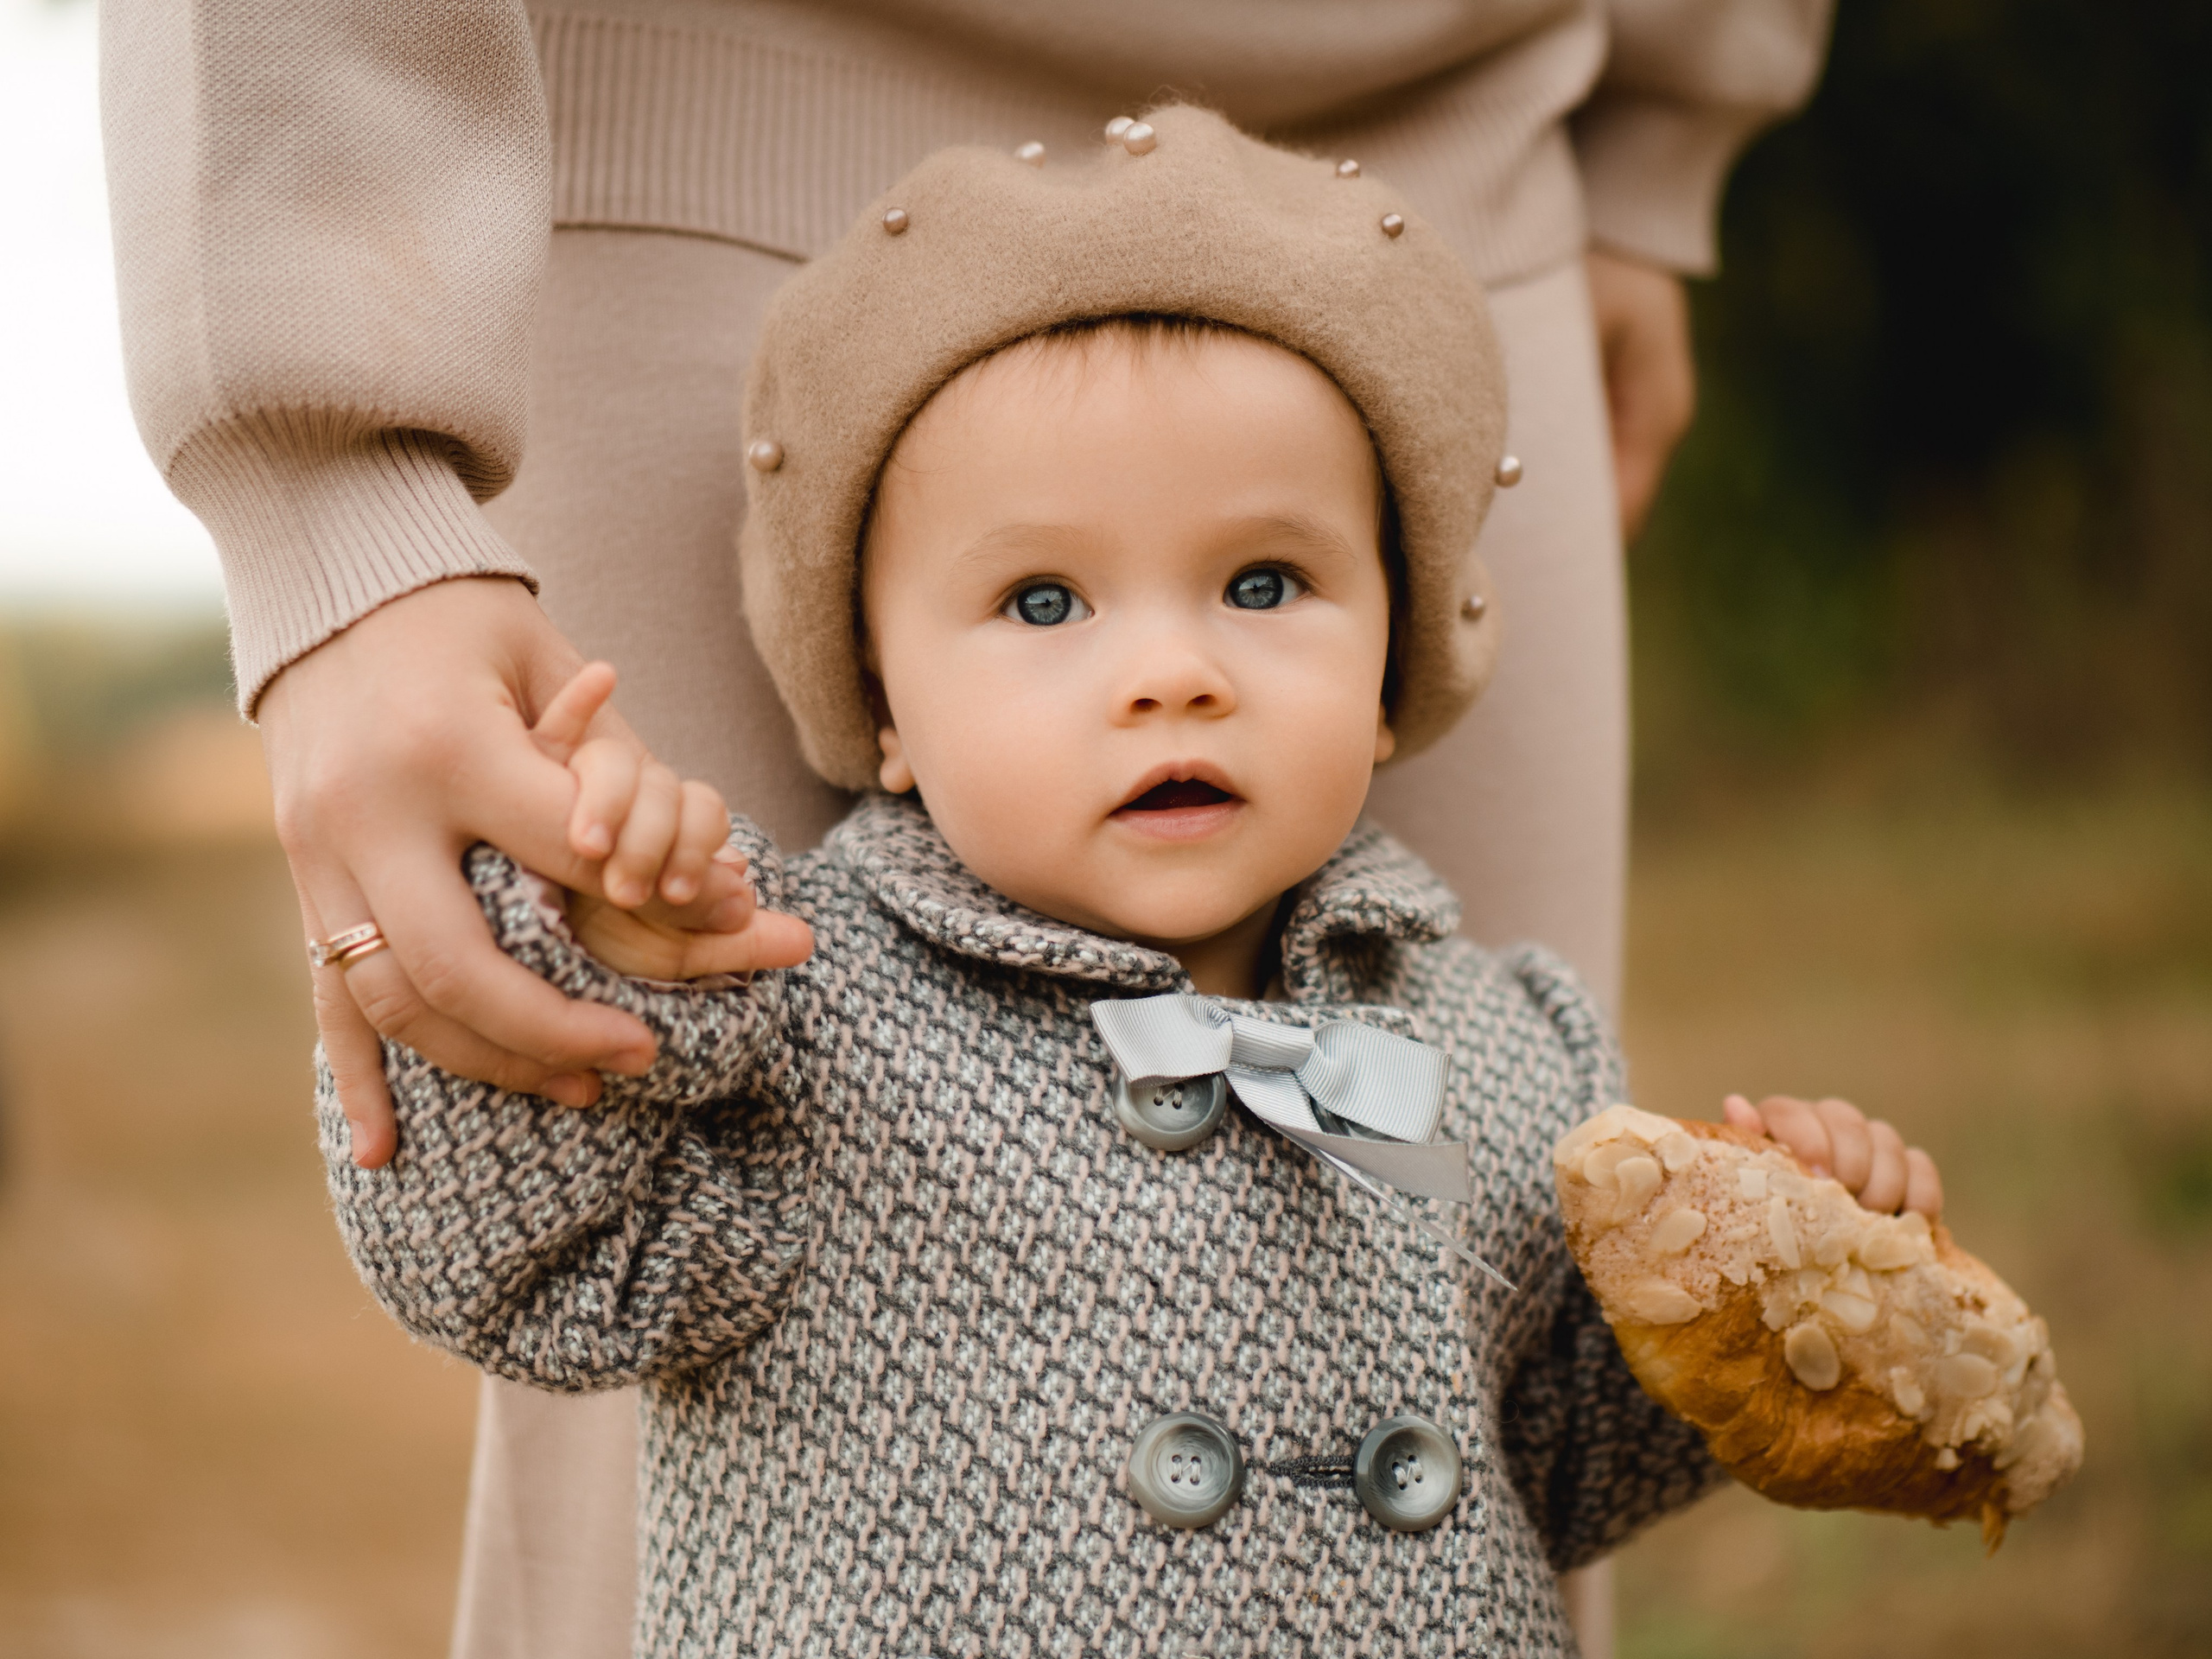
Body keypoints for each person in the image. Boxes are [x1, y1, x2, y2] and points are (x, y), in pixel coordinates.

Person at [99, 4, 1836, 1652]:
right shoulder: (789, 1015)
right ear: (879, 712)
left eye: (1260, 583)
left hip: (1455, 99)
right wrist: (602, 961)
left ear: (1396, 668)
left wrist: (1761, 1304)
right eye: (1039, 603)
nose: (1170, 674)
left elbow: (1545, 1455)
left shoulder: (1496, 1050)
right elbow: (518, 1266)